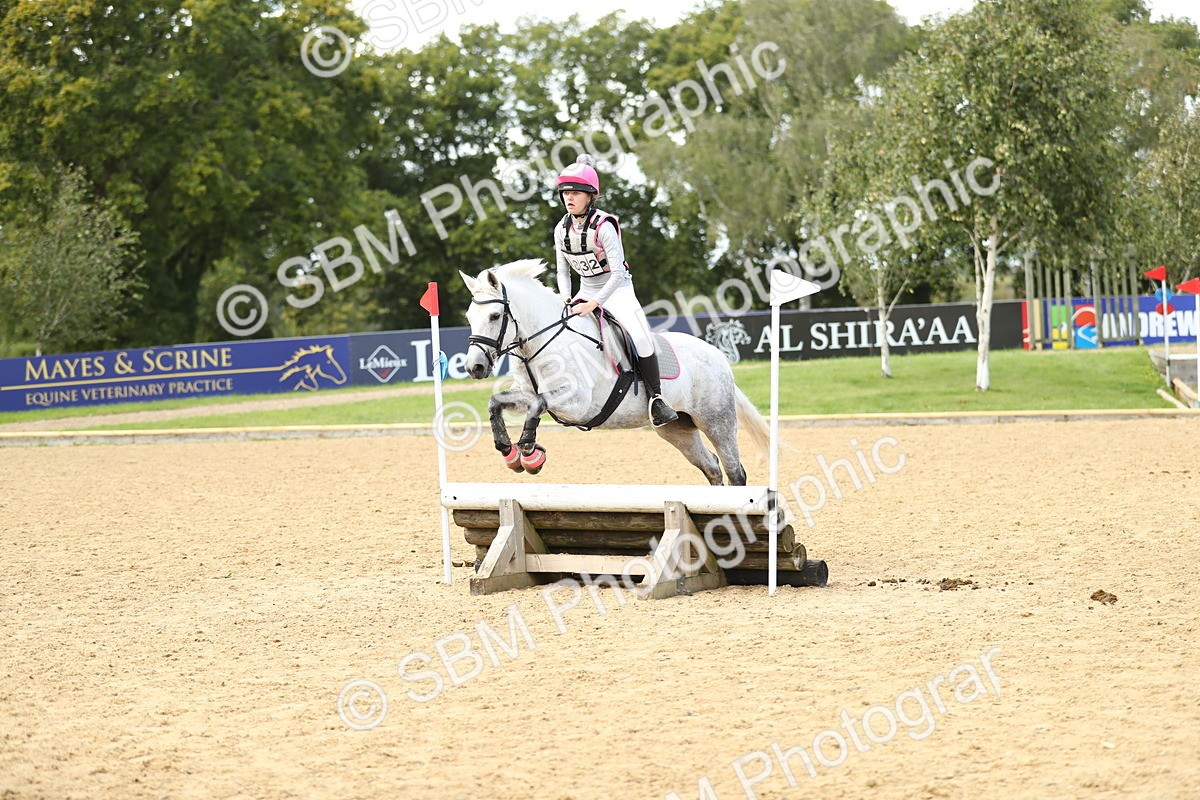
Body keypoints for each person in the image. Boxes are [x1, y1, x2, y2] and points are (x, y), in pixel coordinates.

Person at [553, 154, 679, 428]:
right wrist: (566, 299)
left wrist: (594, 303)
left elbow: (618, 272)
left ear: (590, 196)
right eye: (565, 193)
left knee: (642, 338)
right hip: (584, 290)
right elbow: (562, 271)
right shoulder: (561, 229)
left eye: (575, 193)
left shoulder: (604, 226)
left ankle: (657, 399)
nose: (568, 198)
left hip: (617, 290)